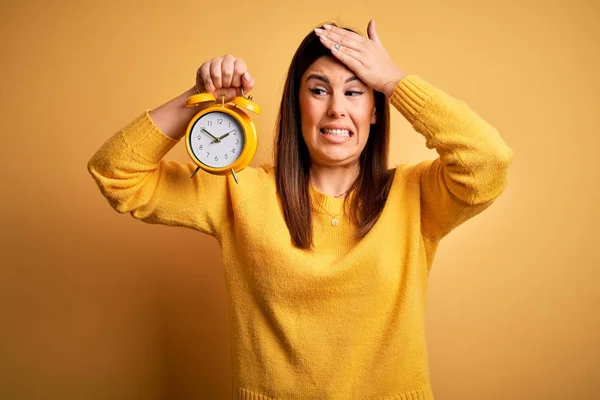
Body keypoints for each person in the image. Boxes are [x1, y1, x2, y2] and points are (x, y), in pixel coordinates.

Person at [88, 19, 513, 400]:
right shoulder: (239, 191)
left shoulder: (416, 195)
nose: (336, 109)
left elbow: (488, 161)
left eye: (355, 91)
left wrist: (395, 82)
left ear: (374, 111)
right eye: (318, 89)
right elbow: (116, 173)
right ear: (297, 104)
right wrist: (198, 98)